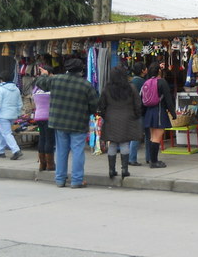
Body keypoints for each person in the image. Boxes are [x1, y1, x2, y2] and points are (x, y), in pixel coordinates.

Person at [36, 57, 98, 188]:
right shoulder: (86, 85)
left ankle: (60, 179)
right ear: (81, 70)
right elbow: (94, 105)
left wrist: (44, 74)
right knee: (78, 151)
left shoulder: (56, 80)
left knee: (61, 151)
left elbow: (41, 83)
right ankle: (76, 180)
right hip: (79, 123)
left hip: (59, 122)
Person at [99, 66, 143, 179]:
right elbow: (138, 104)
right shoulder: (131, 88)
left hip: (111, 118)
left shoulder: (106, 89)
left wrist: (105, 116)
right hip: (127, 117)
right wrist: (136, 116)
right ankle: (124, 169)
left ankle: (111, 169)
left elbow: (101, 106)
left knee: (112, 143)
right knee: (125, 143)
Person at [143, 61, 176, 169]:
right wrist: (173, 113)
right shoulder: (162, 82)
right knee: (157, 138)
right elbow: (168, 99)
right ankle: (154, 161)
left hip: (149, 112)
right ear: (159, 71)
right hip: (159, 111)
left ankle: (152, 160)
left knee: (152, 137)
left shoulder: (147, 82)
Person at [0, 70, 24, 160]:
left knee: (6, 133)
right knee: (2, 132)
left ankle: (16, 150)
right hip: (13, 115)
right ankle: (0, 151)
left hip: (3, 115)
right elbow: (20, 103)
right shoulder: (16, 89)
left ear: (1, 79)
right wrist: (18, 113)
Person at [32, 68, 55, 172]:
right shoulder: (50, 87)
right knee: (49, 140)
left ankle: (42, 164)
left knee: (42, 139)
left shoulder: (35, 88)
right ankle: (50, 164)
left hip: (38, 116)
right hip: (49, 116)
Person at [128, 62, 147, 166]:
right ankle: (132, 159)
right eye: (145, 68)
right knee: (137, 135)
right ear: (142, 71)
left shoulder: (131, 82)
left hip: (130, 111)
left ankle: (130, 157)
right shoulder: (142, 82)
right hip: (139, 112)